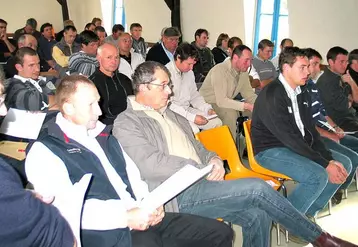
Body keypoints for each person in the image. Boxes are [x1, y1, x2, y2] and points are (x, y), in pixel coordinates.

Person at [113, 60, 357, 247]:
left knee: (258, 214)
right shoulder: (128, 122)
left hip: (202, 182)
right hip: (175, 195)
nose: (169, 92)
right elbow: (150, 164)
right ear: (143, 87)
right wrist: (201, 168)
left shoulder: (173, 114)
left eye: (169, 85)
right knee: (256, 188)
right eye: (163, 85)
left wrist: (213, 159)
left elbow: (198, 147)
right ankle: (320, 239)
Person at [25, 74, 234, 247]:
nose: (99, 111)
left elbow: (135, 178)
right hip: (101, 231)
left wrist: (150, 204)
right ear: (69, 108)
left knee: (220, 233)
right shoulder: (46, 150)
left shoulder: (105, 137)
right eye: (91, 105)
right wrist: (125, 217)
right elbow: (65, 210)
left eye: (98, 102)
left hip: (138, 216)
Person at [252, 47, 351, 219]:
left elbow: (310, 131)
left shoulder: (301, 91)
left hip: (293, 145)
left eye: (308, 67)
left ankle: (305, 215)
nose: (308, 72)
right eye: (302, 67)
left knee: (344, 164)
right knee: (318, 175)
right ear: (286, 68)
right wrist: (325, 164)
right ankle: (287, 220)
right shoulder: (273, 94)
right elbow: (290, 139)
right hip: (270, 150)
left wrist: (329, 158)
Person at [0, 67, 76, 247]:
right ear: (18, 66)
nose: (3, 111)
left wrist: (25, 196)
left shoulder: (41, 81)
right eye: (32, 64)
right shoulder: (15, 86)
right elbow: (59, 234)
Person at [304, 47, 358, 205]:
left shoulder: (313, 85)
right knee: (351, 157)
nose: (316, 69)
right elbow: (347, 104)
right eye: (313, 64)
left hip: (332, 126)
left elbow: (322, 113)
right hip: (317, 134)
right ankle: (336, 188)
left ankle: (338, 186)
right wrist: (331, 133)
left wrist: (334, 128)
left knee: (353, 153)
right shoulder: (324, 82)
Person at [199, 45, 256, 138]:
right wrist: (247, 105)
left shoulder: (243, 73)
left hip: (225, 102)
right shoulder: (220, 70)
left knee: (255, 112)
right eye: (246, 60)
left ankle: (248, 146)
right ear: (235, 58)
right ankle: (230, 149)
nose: (249, 64)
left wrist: (262, 106)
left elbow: (250, 95)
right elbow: (221, 101)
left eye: (251, 60)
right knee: (230, 114)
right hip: (209, 103)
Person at [166, 42, 222, 133]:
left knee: (216, 123)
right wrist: (192, 118)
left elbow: (194, 96)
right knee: (194, 130)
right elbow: (168, 105)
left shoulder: (189, 72)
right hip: (172, 113)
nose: (191, 68)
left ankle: (206, 147)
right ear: (178, 58)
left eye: (193, 64)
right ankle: (198, 146)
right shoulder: (165, 73)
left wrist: (207, 109)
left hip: (186, 109)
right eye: (189, 64)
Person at [316, 46, 358, 137]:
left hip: (351, 117)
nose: (345, 65)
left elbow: (354, 99)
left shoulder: (341, 76)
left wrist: (350, 83)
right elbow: (345, 105)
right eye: (341, 62)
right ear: (331, 62)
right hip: (341, 123)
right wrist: (349, 99)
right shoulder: (327, 82)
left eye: (346, 62)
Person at [89, 43, 133, 125]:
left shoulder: (124, 79)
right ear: (99, 58)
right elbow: (100, 115)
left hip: (131, 121)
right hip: (109, 126)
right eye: (109, 57)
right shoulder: (92, 84)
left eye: (117, 57)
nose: (114, 61)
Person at [5, 47, 56, 111]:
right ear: (19, 67)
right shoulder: (14, 86)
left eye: (38, 63)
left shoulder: (40, 80)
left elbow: (55, 92)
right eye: (31, 65)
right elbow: (35, 104)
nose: (37, 69)